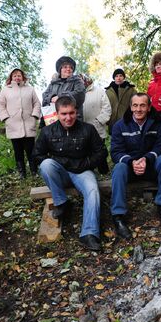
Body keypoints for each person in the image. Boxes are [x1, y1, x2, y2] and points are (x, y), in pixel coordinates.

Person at [32, 96, 108, 251]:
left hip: (82, 171)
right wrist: (62, 161)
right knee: (46, 164)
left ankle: (89, 233)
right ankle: (61, 203)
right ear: (57, 114)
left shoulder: (88, 129)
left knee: (93, 190)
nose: (68, 118)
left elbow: (101, 152)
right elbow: (37, 155)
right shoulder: (48, 131)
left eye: (71, 113)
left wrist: (85, 164)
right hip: (60, 173)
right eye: (64, 114)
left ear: (76, 111)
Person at [110, 93, 161, 239]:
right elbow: (115, 152)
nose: (138, 109)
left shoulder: (158, 123)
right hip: (130, 167)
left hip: (151, 166)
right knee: (119, 168)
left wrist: (147, 158)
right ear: (131, 107)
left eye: (142, 105)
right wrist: (131, 162)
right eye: (135, 105)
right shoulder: (120, 125)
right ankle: (118, 216)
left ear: (149, 107)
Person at [0, 68, 42, 178]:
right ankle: (22, 173)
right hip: (13, 125)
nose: (17, 77)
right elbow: (0, 105)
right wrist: (6, 118)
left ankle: (34, 171)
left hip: (28, 124)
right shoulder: (5, 90)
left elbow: (37, 103)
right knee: (18, 150)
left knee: (31, 150)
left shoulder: (30, 89)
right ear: (11, 77)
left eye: (19, 75)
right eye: (15, 75)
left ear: (23, 77)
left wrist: (34, 116)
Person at [80, 73, 112, 174]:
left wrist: (99, 121)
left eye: (82, 80)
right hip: (82, 128)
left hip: (97, 127)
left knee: (99, 150)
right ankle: (89, 172)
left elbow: (107, 108)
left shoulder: (99, 91)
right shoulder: (76, 93)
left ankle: (104, 172)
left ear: (87, 80)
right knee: (85, 151)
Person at [42, 56, 85, 125]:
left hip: (73, 121)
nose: (68, 69)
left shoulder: (77, 81)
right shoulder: (53, 83)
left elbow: (79, 94)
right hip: (55, 121)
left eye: (71, 67)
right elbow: (45, 96)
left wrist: (60, 97)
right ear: (60, 70)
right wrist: (51, 97)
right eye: (65, 67)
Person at [105, 68, 137, 133]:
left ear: (124, 77)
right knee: (115, 141)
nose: (118, 78)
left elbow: (135, 104)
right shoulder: (108, 92)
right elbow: (105, 106)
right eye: (116, 76)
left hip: (128, 121)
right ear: (114, 78)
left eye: (120, 76)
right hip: (113, 122)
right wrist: (108, 120)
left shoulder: (131, 90)